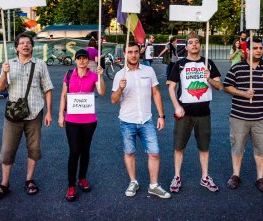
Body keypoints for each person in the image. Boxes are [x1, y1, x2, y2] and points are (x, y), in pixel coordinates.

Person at [0, 33, 54, 201]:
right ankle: (4, 184)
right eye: (22, 43)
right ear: (16, 47)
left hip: (35, 113)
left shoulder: (40, 64)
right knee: (7, 150)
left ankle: (29, 180)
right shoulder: (8, 64)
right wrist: (4, 74)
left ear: (32, 46)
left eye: (28, 43)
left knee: (34, 148)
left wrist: (49, 112)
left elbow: (48, 88)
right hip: (13, 115)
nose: (25, 45)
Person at [111, 41, 170, 199]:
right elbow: (113, 100)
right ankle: (133, 181)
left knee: (154, 153)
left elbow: (156, 93)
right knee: (129, 153)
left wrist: (161, 116)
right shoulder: (119, 75)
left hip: (146, 120)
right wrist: (120, 88)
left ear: (140, 53)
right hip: (127, 121)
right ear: (124, 54)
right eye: (129, 52)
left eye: (136, 51)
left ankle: (154, 185)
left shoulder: (148, 71)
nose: (133, 55)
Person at [168, 32, 222, 193]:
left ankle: (205, 177)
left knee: (204, 147)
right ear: (186, 47)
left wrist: (209, 78)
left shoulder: (208, 63)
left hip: (204, 113)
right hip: (184, 113)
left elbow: (220, 86)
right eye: (190, 42)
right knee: (179, 147)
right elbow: (171, 88)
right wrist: (176, 106)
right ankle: (176, 177)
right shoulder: (180, 64)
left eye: (197, 42)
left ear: (200, 45)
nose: (194, 45)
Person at [223, 37, 263, 193]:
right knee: (237, 147)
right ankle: (235, 175)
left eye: (261, 48)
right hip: (239, 117)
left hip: (262, 117)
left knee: (261, 149)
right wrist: (243, 93)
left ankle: (260, 178)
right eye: (255, 48)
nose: (259, 50)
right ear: (247, 50)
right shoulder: (237, 68)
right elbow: (226, 86)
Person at [58, 49, 105, 202]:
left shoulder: (93, 75)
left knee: (85, 151)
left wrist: (101, 76)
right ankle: (71, 185)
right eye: (79, 58)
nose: (82, 61)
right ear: (75, 60)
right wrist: (60, 115)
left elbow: (102, 92)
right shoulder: (69, 74)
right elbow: (63, 95)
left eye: (84, 58)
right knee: (74, 151)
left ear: (88, 60)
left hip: (89, 121)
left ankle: (82, 178)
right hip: (72, 120)